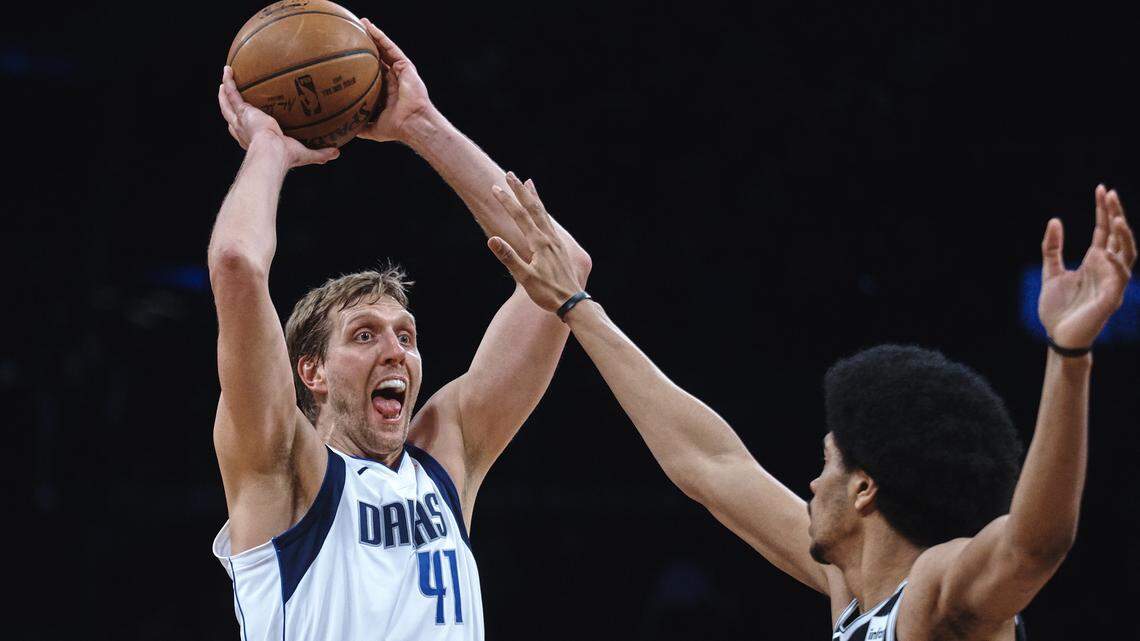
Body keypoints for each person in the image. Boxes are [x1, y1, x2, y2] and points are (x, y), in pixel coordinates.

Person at [487, 181, 1135, 641]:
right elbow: (709, 462)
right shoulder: (848, 587)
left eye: (826, 462)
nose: (810, 481)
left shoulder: (937, 593)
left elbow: (1033, 543)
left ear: (863, 488)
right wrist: (578, 306)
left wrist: (1069, 354)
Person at [208, 20, 590, 641]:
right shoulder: (282, 470)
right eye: (364, 335)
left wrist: (419, 122)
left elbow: (560, 270)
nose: (396, 351)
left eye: (406, 336)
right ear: (312, 372)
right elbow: (236, 265)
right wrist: (269, 150)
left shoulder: (446, 457)